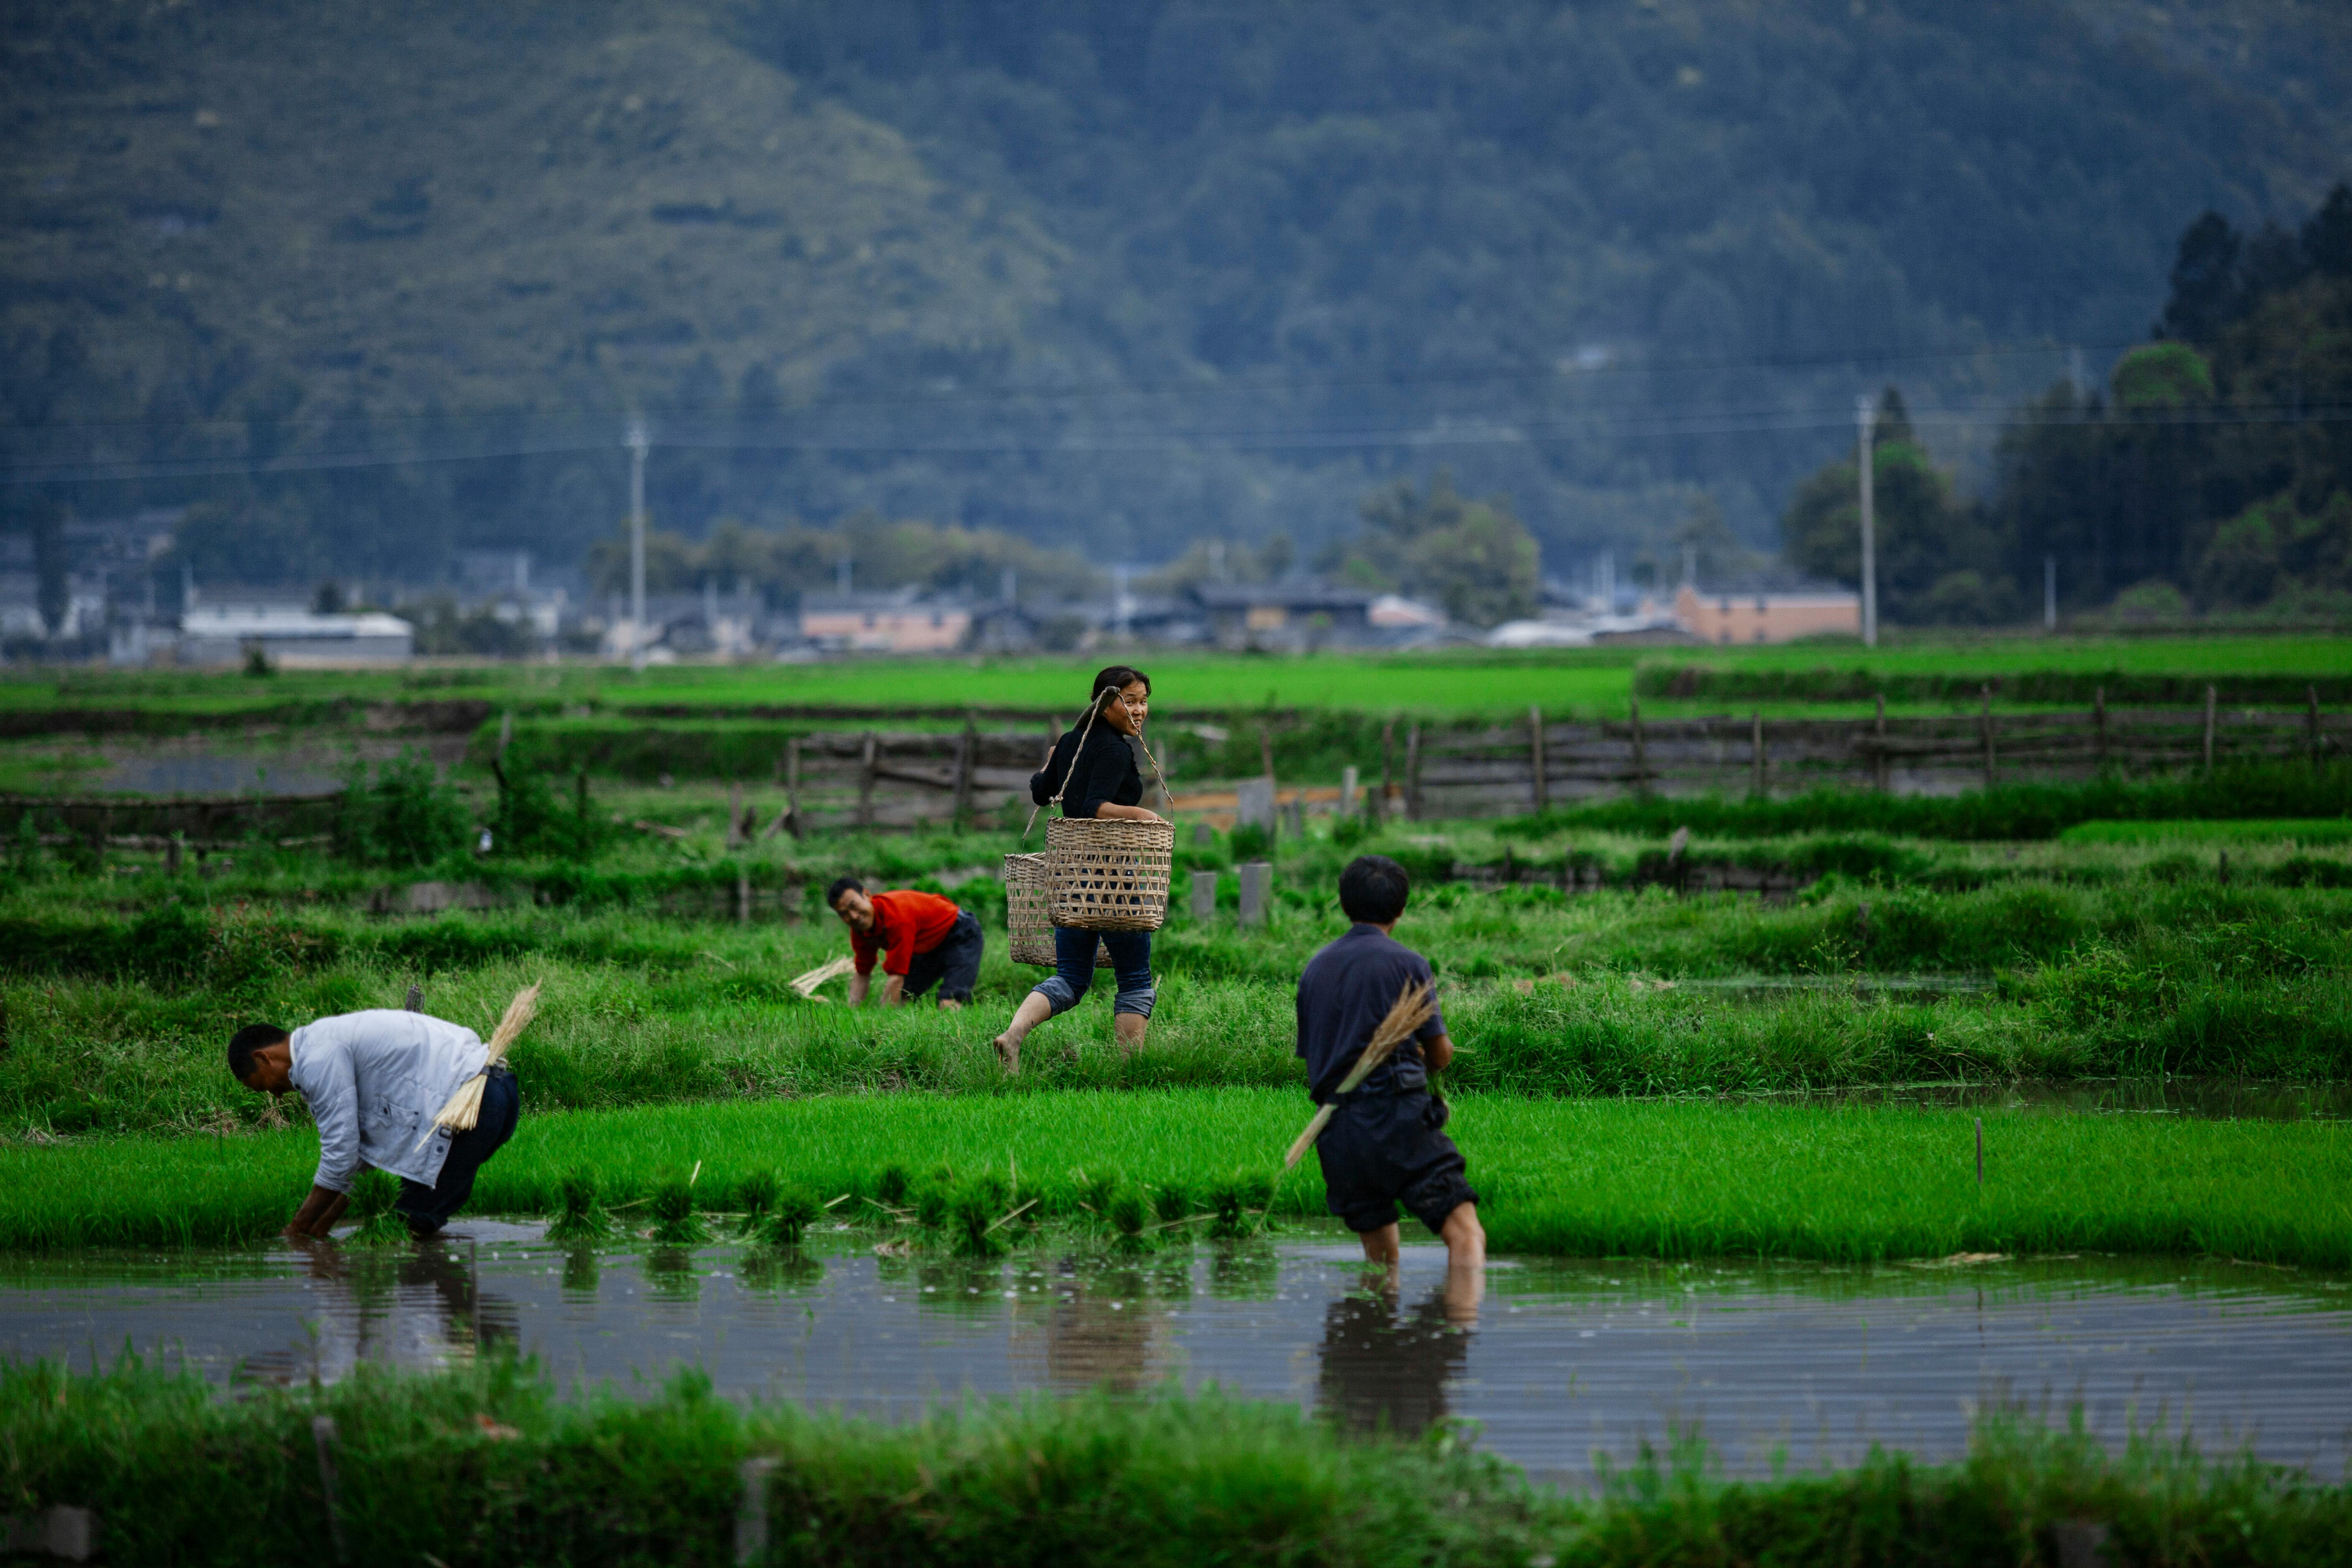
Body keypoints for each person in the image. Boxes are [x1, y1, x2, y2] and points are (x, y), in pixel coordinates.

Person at [1296, 854, 1484, 1311]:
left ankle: (1374, 1360)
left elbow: (1318, 1056)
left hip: (1338, 1131)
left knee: (1381, 1262)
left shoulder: (1315, 970)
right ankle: (1455, 1341)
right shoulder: (1408, 964)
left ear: (1344, 905)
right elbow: (1440, 1053)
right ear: (1400, 909)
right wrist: (1429, 1058)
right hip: (1398, 1119)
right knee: (1465, 1237)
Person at [992, 663, 1165, 1074]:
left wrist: (1052, 760)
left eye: (1144, 702)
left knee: (1071, 979)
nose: (1140, 710)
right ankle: (1129, 1070)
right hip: (1114, 880)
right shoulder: (1115, 749)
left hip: (1071, 878)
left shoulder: (1072, 741)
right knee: (1136, 979)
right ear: (1107, 702)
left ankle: (1014, 1033)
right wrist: (1143, 816)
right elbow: (1094, 809)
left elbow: (1040, 792)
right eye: (1131, 701)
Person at [229, 1008, 519, 1241]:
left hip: (471, 1104)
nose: (276, 1095)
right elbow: (362, 1159)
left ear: (263, 1058)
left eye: (264, 1087)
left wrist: (296, 1231)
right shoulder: (324, 1041)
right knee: (413, 1222)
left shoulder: (318, 1059)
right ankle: (459, 1308)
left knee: (404, 1228)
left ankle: (445, 1303)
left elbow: (340, 1154)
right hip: (498, 1092)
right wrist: (321, 1227)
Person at [828, 877, 983, 1009]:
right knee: (904, 996)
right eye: (844, 914)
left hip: (960, 933)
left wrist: (882, 1022)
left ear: (867, 895)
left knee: (948, 1001)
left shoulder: (896, 917)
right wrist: (852, 1010)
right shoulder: (860, 930)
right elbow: (863, 972)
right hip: (926, 947)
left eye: (854, 906)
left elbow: (897, 976)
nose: (853, 916)